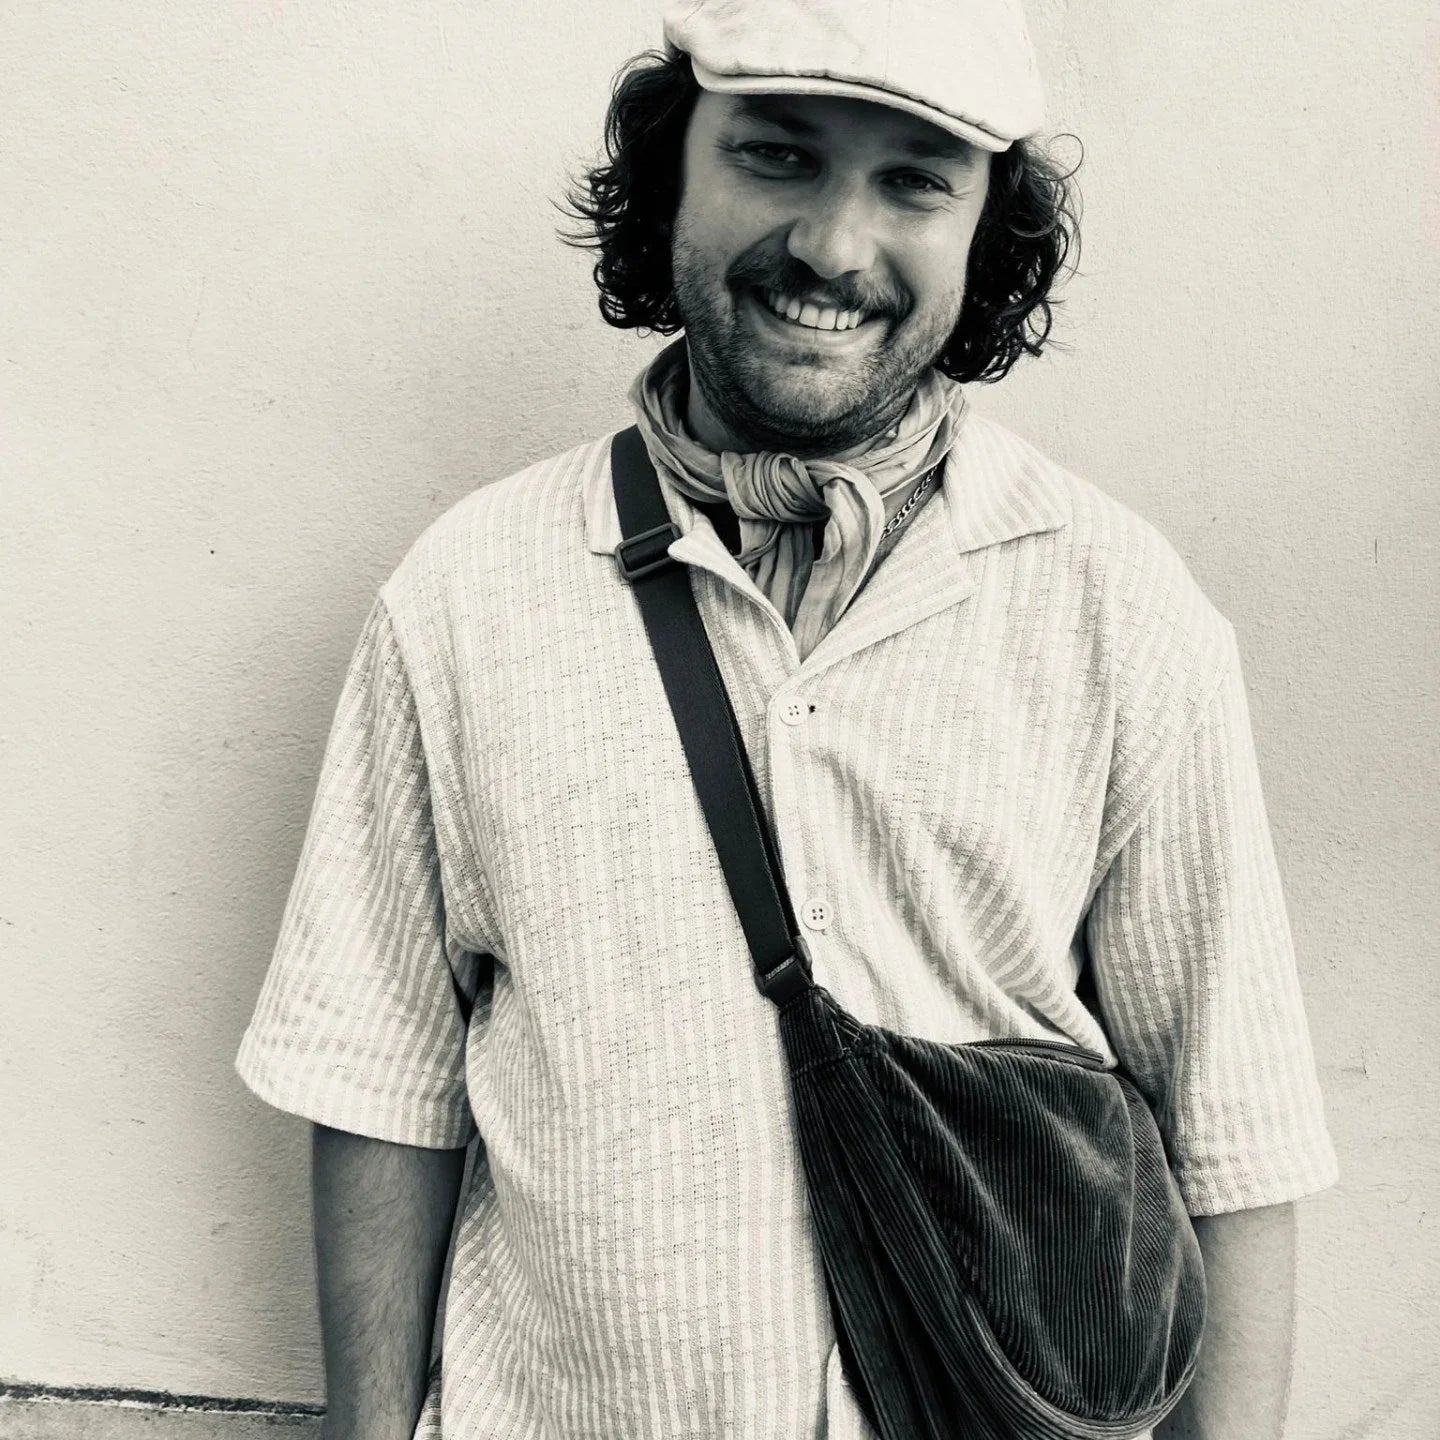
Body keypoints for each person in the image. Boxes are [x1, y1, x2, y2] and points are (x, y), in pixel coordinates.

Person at [236, 2, 1338, 1437]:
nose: (832, 245)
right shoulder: (465, 592)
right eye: (776, 153)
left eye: (914, 181)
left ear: (986, 231)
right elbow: (381, 1082)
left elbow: (1230, 1138)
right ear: (670, 173)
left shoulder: (1122, 610)